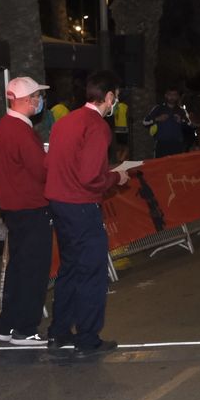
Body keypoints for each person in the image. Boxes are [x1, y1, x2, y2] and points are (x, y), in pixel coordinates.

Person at [45, 71, 130, 354]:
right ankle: (88, 338)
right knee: (92, 272)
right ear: (109, 96)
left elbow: (55, 164)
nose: (116, 102)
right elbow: (91, 177)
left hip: (59, 203)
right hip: (81, 205)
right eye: (116, 97)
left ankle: (59, 332)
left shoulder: (65, 121)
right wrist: (116, 177)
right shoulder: (97, 126)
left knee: (69, 269)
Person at [0, 76, 53, 346]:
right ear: (27, 100)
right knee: (33, 270)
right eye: (37, 96)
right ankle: (25, 329)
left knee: (17, 268)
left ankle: (7, 325)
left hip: (13, 208)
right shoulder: (21, 130)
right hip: (31, 207)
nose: (40, 101)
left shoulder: (5, 125)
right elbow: (42, 170)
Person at [144, 88, 196, 157]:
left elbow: (190, 126)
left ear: (177, 97)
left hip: (177, 145)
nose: (172, 97)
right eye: (170, 94)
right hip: (161, 144)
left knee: (176, 164)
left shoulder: (182, 110)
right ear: (166, 95)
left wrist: (181, 121)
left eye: (174, 95)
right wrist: (157, 119)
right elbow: (145, 122)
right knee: (161, 163)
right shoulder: (158, 108)